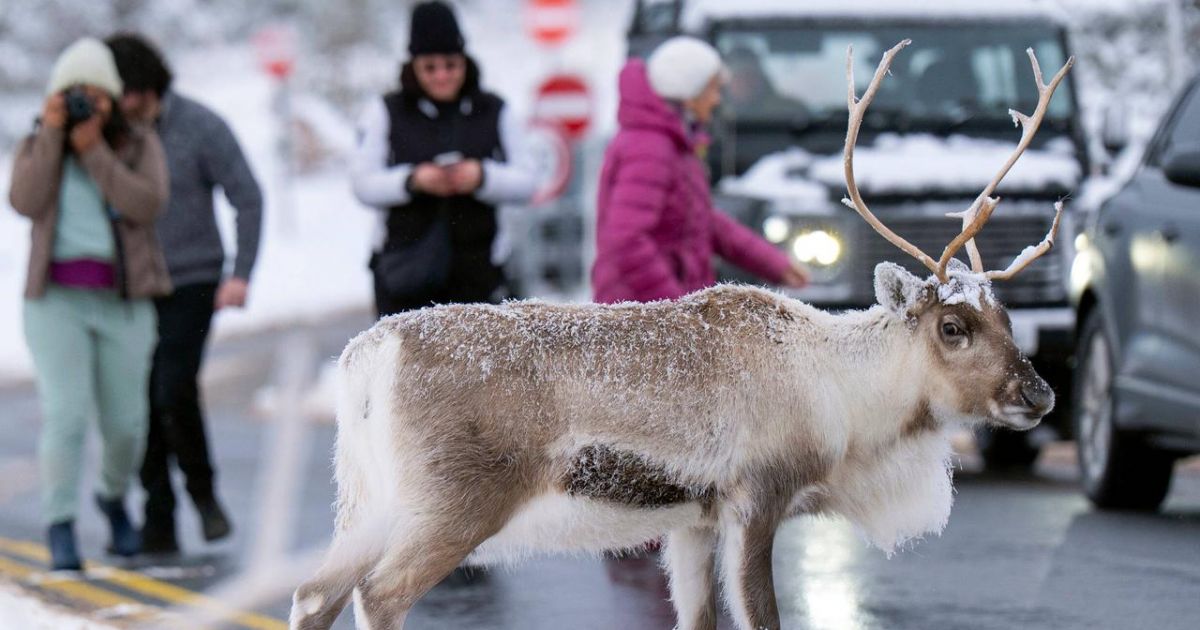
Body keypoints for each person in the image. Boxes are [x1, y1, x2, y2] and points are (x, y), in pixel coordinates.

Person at [8, 37, 170, 570]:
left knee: (127, 425)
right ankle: (60, 525)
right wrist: (56, 135)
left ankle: (112, 495)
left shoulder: (138, 143)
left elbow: (147, 203)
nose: (84, 103)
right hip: (55, 302)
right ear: (56, 95)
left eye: (95, 94)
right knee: (66, 415)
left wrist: (94, 149)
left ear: (115, 97)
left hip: (124, 302)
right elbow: (24, 201)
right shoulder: (39, 142)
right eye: (72, 93)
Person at [106, 33, 263, 554]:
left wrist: (240, 272)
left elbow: (247, 194)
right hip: (130, 285)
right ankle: (159, 513)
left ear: (146, 87)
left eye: (123, 91)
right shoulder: (108, 136)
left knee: (171, 387)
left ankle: (202, 491)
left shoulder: (200, 125)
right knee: (139, 400)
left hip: (193, 279)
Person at [351, 0, 538, 317]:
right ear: (414, 65)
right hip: (405, 277)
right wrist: (413, 181)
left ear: (464, 61)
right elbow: (362, 183)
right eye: (430, 67)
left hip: (479, 277)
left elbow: (528, 181)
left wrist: (481, 177)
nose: (441, 76)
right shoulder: (386, 112)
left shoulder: (493, 109)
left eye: (451, 65)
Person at [592, 36, 810, 304]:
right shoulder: (651, 148)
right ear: (688, 92)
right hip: (638, 323)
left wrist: (774, 264)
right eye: (712, 89)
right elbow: (627, 239)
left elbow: (701, 220)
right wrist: (673, 308)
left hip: (654, 317)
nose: (718, 100)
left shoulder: (673, 143)